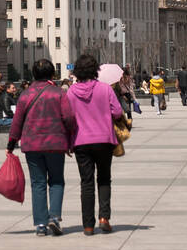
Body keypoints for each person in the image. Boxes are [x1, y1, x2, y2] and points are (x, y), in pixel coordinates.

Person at [8, 59, 77, 236]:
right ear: (52, 74)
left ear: (34, 74)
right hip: (55, 144)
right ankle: (54, 216)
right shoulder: (59, 93)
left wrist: (11, 143)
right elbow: (69, 118)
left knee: (38, 183)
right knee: (56, 181)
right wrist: (71, 139)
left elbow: (17, 122)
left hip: (32, 145)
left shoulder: (25, 94)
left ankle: (40, 224)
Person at [67, 52, 125, 235]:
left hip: (80, 142)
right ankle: (104, 217)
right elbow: (117, 112)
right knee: (104, 178)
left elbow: (67, 118)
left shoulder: (70, 92)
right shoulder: (105, 89)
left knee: (86, 182)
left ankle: (88, 225)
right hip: (104, 140)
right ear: (95, 70)